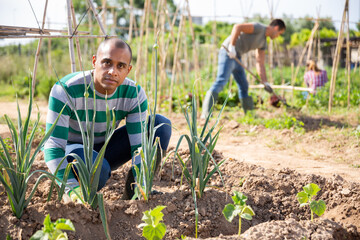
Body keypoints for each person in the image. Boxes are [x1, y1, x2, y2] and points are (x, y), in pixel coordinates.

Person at [43, 38, 172, 201]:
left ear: (128, 70)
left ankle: (135, 193)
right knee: (98, 170)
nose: (113, 71)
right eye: (106, 63)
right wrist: (70, 188)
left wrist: (142, 183)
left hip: (106, 148)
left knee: (160, 125)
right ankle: (80, 193)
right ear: (95, 61)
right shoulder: (66, 89)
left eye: (121, 66)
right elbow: (53, 146)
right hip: (72, 152)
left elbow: (139, 147)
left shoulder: (133, 93)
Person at [201, 19, 286, 117]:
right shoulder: (259, 28)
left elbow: (260, 63)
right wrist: (231, 46)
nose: (277, 36)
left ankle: (249, 114)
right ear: (276, 28)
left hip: (237, 57)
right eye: (279, 33)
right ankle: (206, 114)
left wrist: (265, 82)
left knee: (244, 85)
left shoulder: (263, 43)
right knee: (221, 81)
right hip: (228, 53)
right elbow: (237, 27)